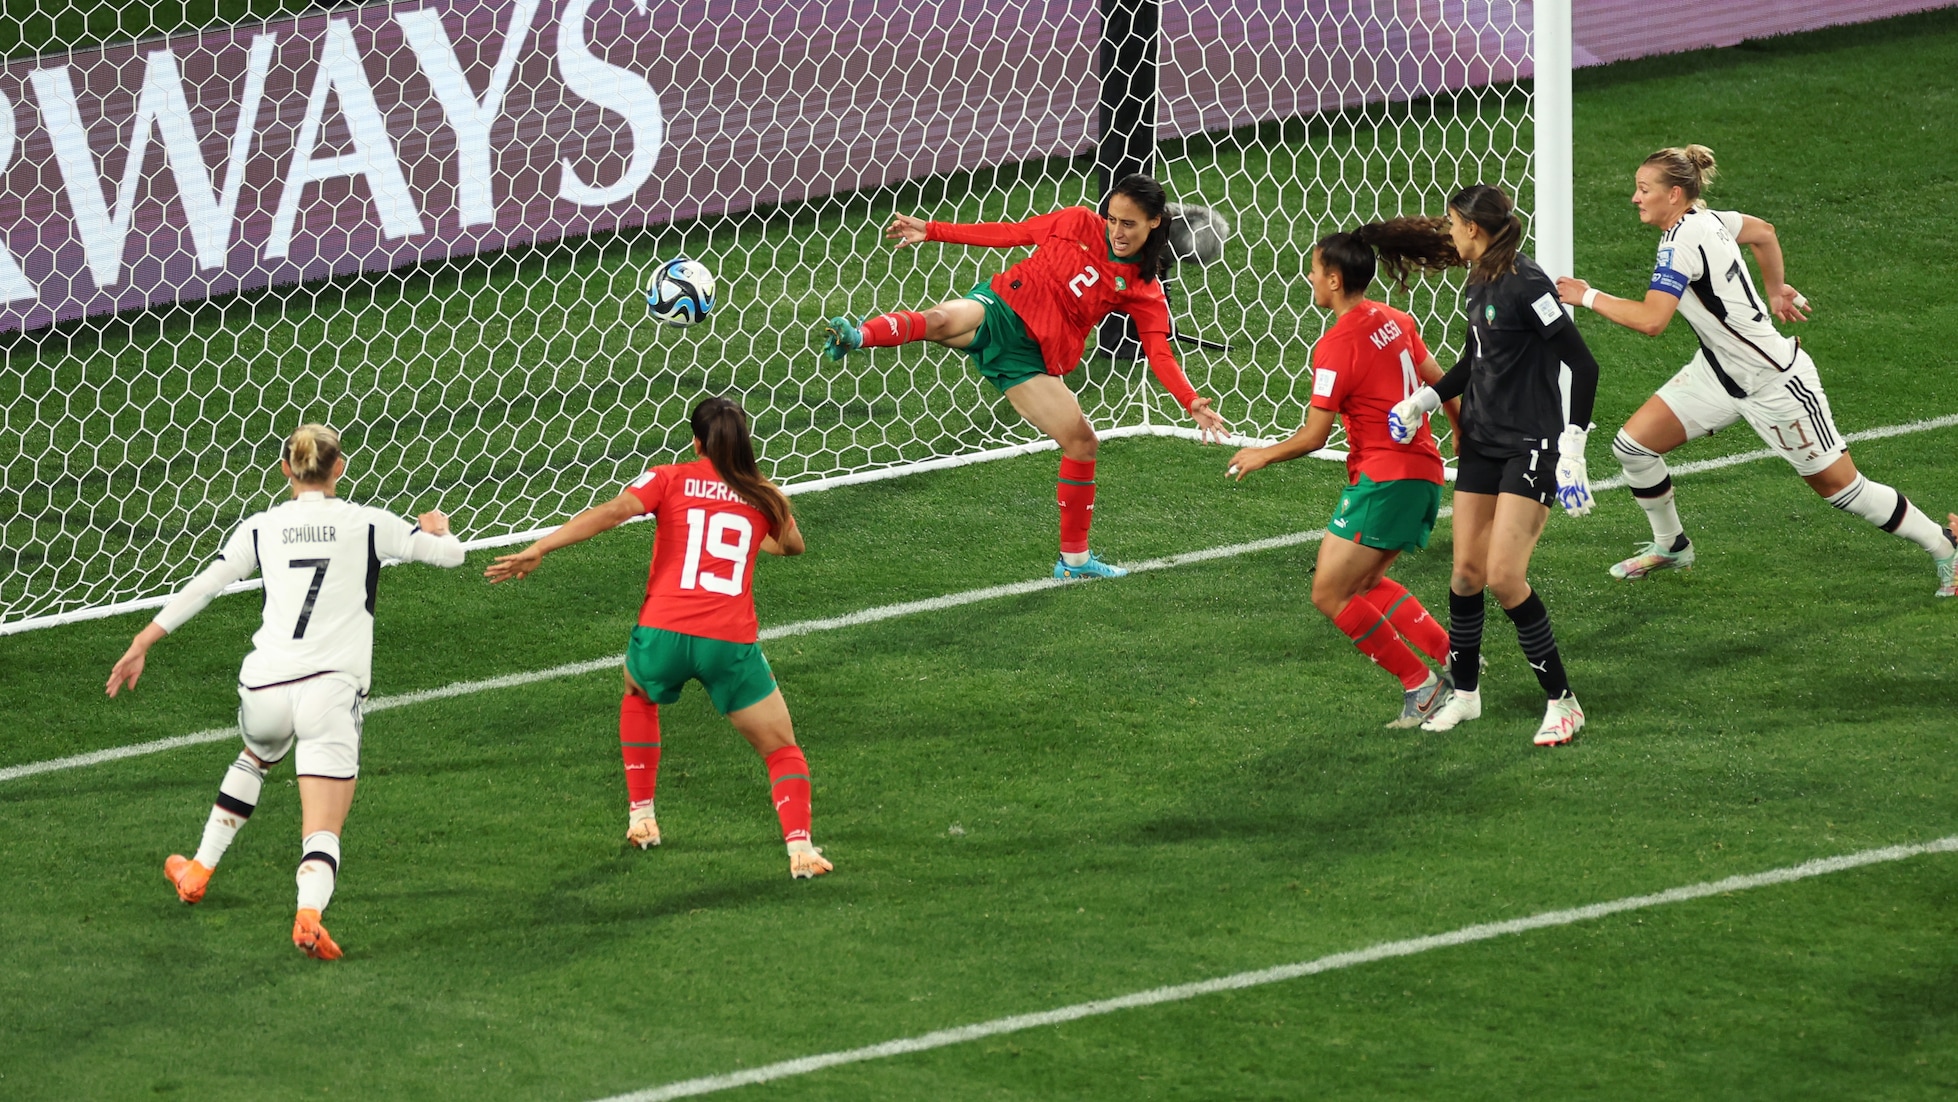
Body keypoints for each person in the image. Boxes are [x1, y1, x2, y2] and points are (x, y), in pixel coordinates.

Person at [106, 424, 465, 959]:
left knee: (255, 756)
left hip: (265, 687)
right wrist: (438, 529)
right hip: (330, 694)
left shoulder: (261, 527)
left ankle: (198, 870)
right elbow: (453, 557)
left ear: (285, 471)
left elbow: (207, 584)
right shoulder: (368, 524)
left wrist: (143, 640)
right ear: (339, 468)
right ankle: (307, 916)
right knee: (321, 825)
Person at [1556, 145, 1957, 596]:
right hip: (1718, 372)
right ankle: (1672, 546)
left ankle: (1946, 549)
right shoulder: (1709, 219)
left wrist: (1587, 295)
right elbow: (1763, 232)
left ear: (1673, 194)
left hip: (1775, 383)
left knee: (1842, 490)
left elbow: (1653, 321)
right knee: (1634, 447)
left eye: (1643, 189)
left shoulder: (1681, 242)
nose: (1634, 197)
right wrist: (1776, 289)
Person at [485, 397, 831, 879]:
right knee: (780, 750)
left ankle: (642, 816)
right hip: (728, 643)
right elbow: (793, 546)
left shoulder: (668, 477)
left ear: (696, 442)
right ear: (745, 441)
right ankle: (801, 850)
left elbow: (612, 511)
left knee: (637, 692)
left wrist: (541, 546)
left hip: (663, 631)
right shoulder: (766, 496)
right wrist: (755, 532)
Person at [822, 173, 1230, 579]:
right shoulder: (1075, 223)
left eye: (1128, 223)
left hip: (1031, 359)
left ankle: (1073, 563)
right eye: (1111, 219)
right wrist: (932, 230)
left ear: (1154, 222)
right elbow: (1010, 233)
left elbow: (1158, 351)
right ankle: (858, 336)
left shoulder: (1143, 288)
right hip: (1001, 306)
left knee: (1082, 443)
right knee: (941, 319)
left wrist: (1190, 400)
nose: (1116, 231)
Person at [1385, 184, 1603, 746]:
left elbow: (1584, 365)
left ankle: (1563, 700)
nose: (1448, 233)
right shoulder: (1478, 277)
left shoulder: (1528, 285)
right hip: (1481, 443)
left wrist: (1572, 449)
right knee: (1464, 575)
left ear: (1473, 228)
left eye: (1453, 225)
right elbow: (1474, 361)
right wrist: (1425, 400)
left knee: (1505, 577)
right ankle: (1465, 697)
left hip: (1530, 446)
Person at [1228, 227, 1462, 727]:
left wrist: (1262, 455)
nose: (1309, 277)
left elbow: (1315, 435)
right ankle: (1454, 658)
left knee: (1329, 593)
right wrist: (1461, 430)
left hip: (1386, 480)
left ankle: (1421, 688)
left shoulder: (1336, 345)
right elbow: (1443, 381)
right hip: (1423, 473)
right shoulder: (1395, 319)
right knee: (1368, 581)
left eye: (1314, 270)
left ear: (1333, 280)